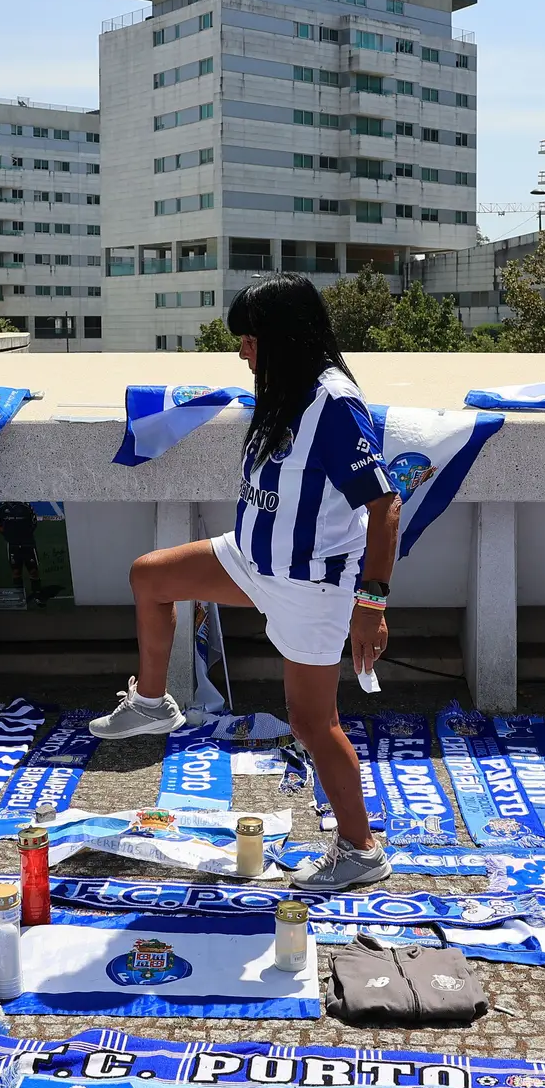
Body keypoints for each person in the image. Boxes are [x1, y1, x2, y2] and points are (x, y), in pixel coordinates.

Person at [91, 274, 399, 892]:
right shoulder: (284, 387)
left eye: (250, 339)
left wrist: (370, 605)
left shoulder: (334, 405)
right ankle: (153, 704)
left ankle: (360, 849)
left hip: (311, 584)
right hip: (251, 560)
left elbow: (384, 506)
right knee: (150, 577)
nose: (242, 351)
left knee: (313, 724)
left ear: (283, 338)